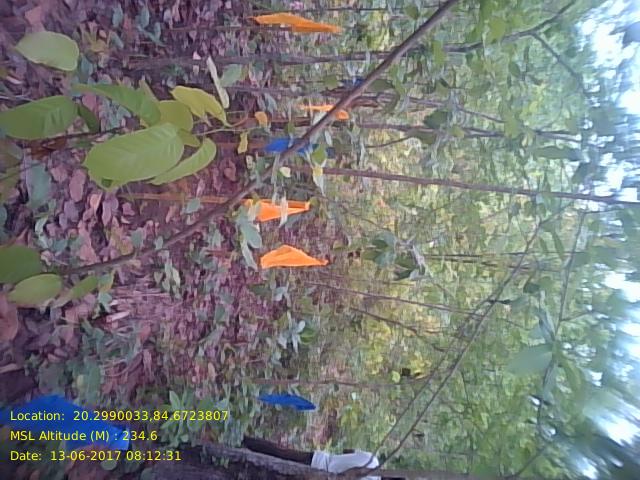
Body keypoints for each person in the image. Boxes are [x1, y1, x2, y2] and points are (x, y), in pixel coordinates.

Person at [242, 436, 403, 480]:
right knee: (273, 472)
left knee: (280, 453)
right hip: (317, 474)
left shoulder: (373, 460)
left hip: (320, 459)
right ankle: (243, 463)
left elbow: (348, 450)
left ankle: (246, 441)